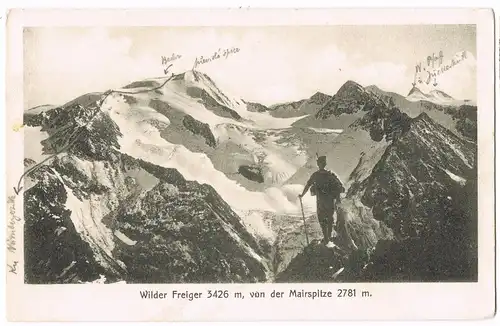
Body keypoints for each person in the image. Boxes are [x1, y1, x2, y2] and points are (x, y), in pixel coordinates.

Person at [299, 156, 344, 248]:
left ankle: (326, 238)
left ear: (318, 164)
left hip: (321, 202)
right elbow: (340, 187)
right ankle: (329, 238)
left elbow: (308, 185)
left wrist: (302, 195)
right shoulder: (330, 175)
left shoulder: (315, 175)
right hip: (330, 201)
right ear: (325, 163)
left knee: (322, 219)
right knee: (330, 219)